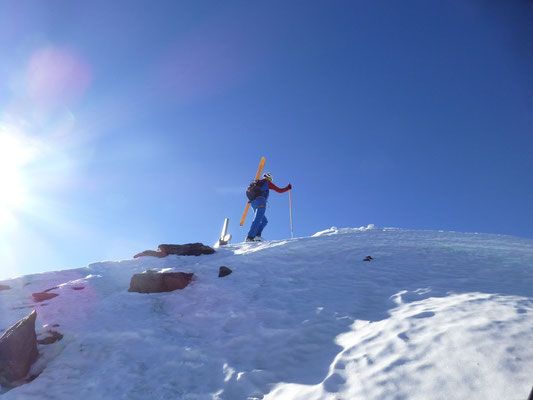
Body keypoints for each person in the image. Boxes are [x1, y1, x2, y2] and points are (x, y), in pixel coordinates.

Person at [246, 172, 292, 242]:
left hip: (253, 203)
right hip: (261, 201)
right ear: (267, 177)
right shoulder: (267, 182)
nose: (270, 180)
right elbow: (279, 190)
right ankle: (250, 237)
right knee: (258, 219)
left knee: (264, 221)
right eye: (270, 178)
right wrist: (287, 188)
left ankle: (257, 235)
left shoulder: (257, 183)